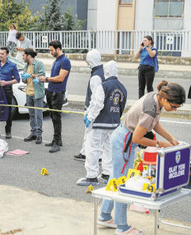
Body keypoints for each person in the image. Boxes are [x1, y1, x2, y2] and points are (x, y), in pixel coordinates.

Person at [97, 80, 185, 234]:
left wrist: (171, 139)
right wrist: (160, 144)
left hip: (124, 137)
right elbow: (138, 138)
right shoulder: (150, 108)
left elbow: (155, 124)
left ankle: (104, 215)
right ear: (165, 99)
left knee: (116, 177)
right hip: (125, 140)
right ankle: (121, 226)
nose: (175, 109)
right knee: (121, 183)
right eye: (174, 106)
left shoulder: (155, 98)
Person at [76, 61, 127, 186]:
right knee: (109, 150)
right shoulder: (122, 88)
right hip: (114, 124)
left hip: (100, 123)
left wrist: (89, 117)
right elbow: (121, 106)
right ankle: (106, 174)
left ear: (107, 71)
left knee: (93, 148)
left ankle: (91, 176)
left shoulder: (103, 86)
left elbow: (97, 104)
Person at [39, 40, 71, 153]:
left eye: (52, 50)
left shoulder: (65, 61)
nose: (50, 52)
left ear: (58, 49)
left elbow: (61, 78)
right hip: (51, 91)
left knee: (56, 117)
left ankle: (57, 142)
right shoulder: (57, 60)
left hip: (58, 93)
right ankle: (57, 139)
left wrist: (46, 79)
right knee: (53, 116)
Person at [74, 49, 105, 161]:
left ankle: (95, 156)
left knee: (93, 134)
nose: (86, 63)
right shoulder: (101, 71)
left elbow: (95, 98)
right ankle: (84, 152)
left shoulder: (96, 77)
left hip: (93, 109)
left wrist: (90, 114)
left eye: (87, 61)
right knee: (90, 133)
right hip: (95, 109)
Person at [21, 48, 46, 144]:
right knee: (31, 114)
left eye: (23, 55)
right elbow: (25, 79)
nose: (23, 57)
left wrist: (30, 75)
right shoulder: (26, 65)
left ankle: (39, 135)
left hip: (37, 93)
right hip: (28, 92)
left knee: (38, 114)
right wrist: (23, 78)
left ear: (28, 55)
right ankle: (33, 132)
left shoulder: (39, 63)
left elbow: (42, 75)